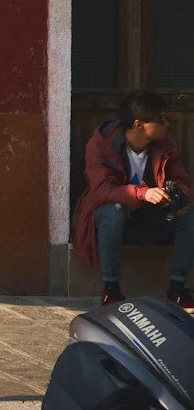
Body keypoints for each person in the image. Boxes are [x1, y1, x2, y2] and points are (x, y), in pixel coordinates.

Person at [70, 90, 194, 309]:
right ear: (139, 125)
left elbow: (183, 182)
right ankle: (111, 289)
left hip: (151, 219)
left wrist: (177, 197)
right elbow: (102, 189)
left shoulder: (166, 145)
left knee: (190, 214)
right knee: (113, 210)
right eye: (160, 119)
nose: (167, 124)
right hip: (112, 222)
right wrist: (143, 193)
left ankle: (177, 289)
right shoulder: (101, 144)